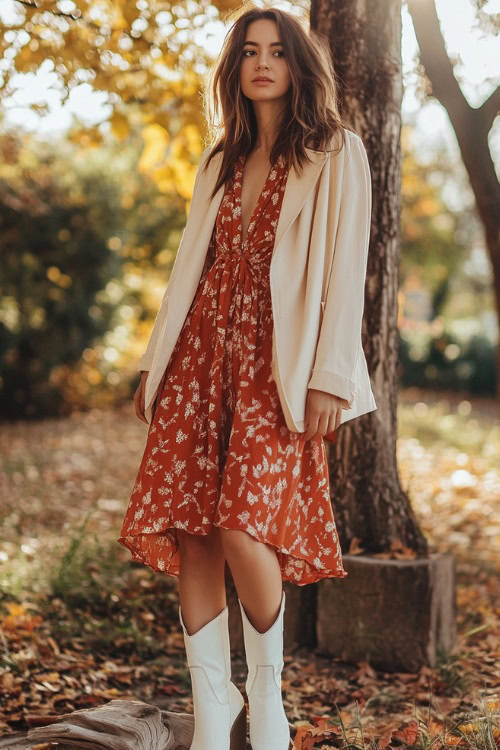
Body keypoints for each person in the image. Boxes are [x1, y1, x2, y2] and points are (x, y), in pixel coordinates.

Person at [118, 3, 376, 749]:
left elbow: (345, 269)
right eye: (249, 52)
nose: (263, 62)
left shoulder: (336, 152)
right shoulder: (219, 160)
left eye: (278, 51)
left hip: (278, 363)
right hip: (198, 356)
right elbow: (185, 274)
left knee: (241, 524)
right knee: (192, 530)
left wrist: (330, 372)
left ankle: (267, 700)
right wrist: (154, 364)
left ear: (299, 66)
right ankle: (213, 705)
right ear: (235, 70)